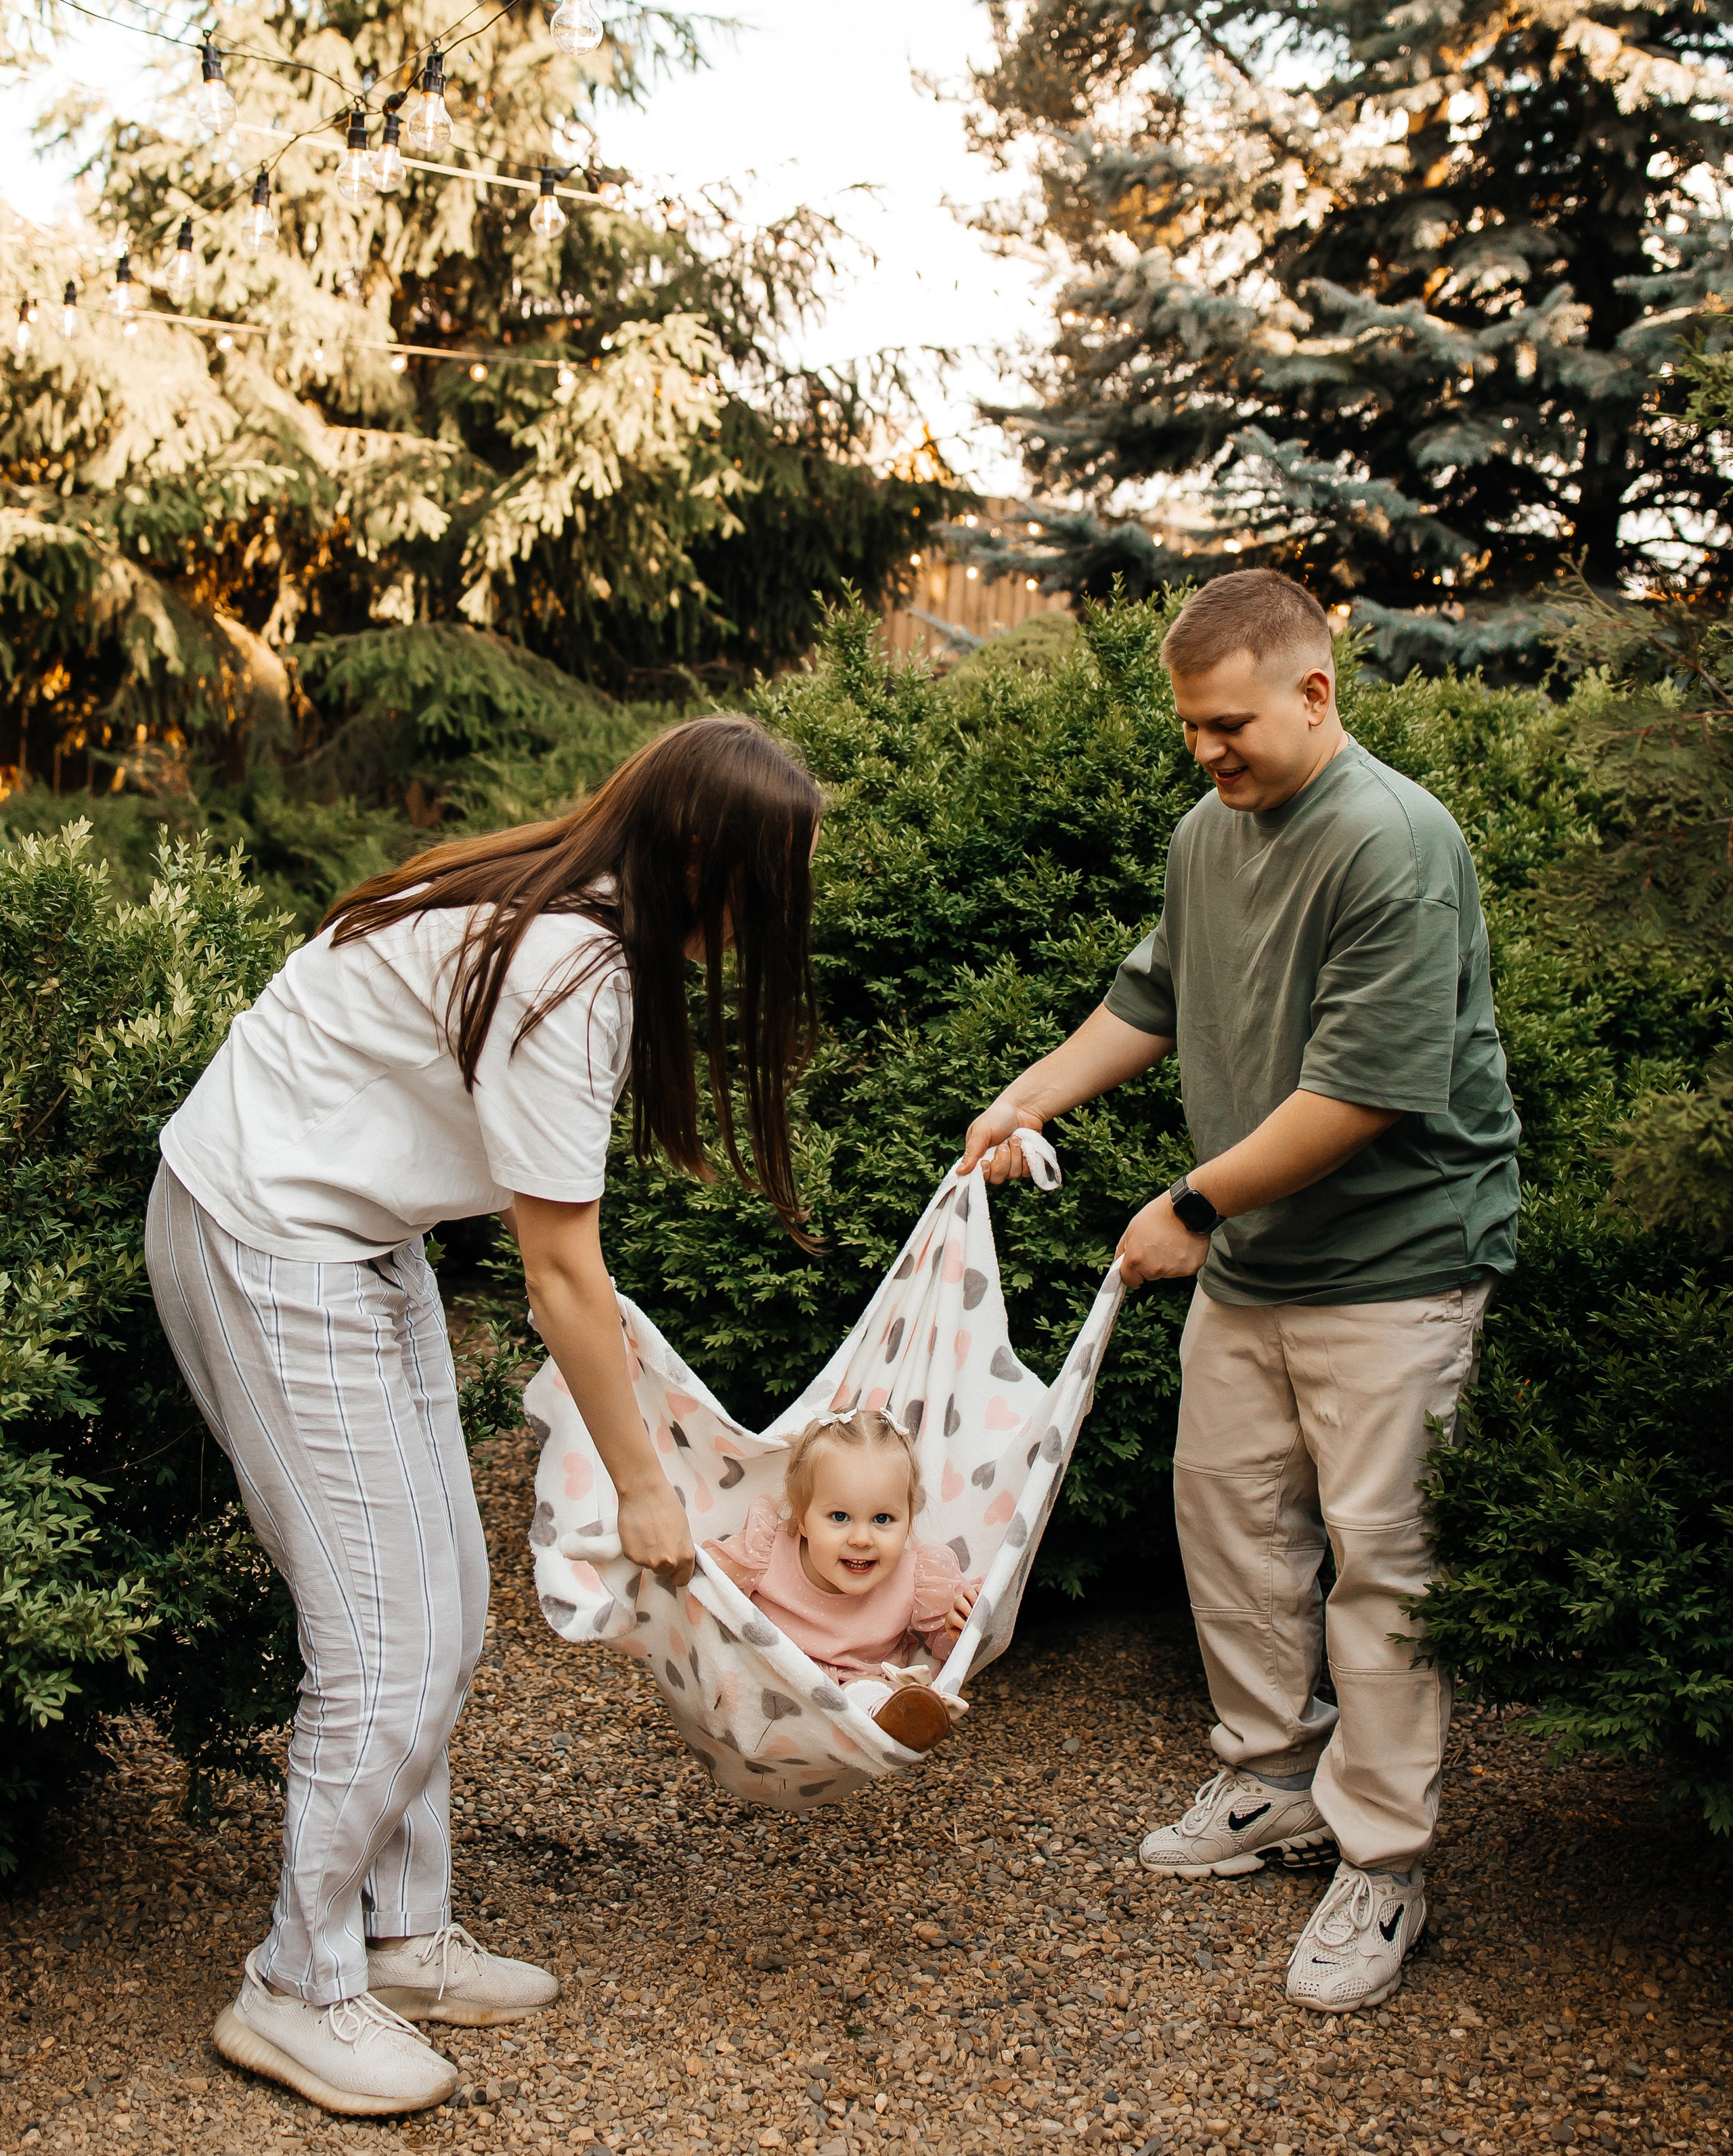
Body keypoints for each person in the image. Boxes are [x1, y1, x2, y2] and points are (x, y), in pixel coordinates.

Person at [146, 716, 822, 2116]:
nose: (769, 920)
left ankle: (397, 1940)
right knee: (383, 1644)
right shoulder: (570, 968)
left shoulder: (563, 909)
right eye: (771, 884)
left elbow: (560, 1255)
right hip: (269, 1237)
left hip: (354, 1234)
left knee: (445, 1606)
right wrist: (645, 1484)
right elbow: (560, 1271)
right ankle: (294, 1986)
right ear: (708, 860)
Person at [961, 570, 1518, 2013]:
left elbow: (1363, 1094)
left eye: (1229, 725)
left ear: (1314, 693)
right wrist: (1026, 1095)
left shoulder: (1395, 842)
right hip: (1260, 1261)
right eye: (1189, 728)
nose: (1206, 752)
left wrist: (1194, 1206)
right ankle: (1275, 1780)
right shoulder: (1208, 833)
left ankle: (1383, 1860)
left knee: (1382, 1564)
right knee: (1229, 1519)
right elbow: (1149, 998)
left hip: (1395, 1266)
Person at [709, 1411, 979, 1717]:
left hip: (862, 1699)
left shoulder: (917, 1579)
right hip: (773, 1688)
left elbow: (946, 1648)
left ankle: (899, 1715)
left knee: (872, 1691)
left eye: (883, 1519)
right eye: (840, 1517)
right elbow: (703, 1586)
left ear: (908, 1521)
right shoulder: (765, 1553)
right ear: (802, 1518)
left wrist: (955, 1627)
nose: (862, 1539)